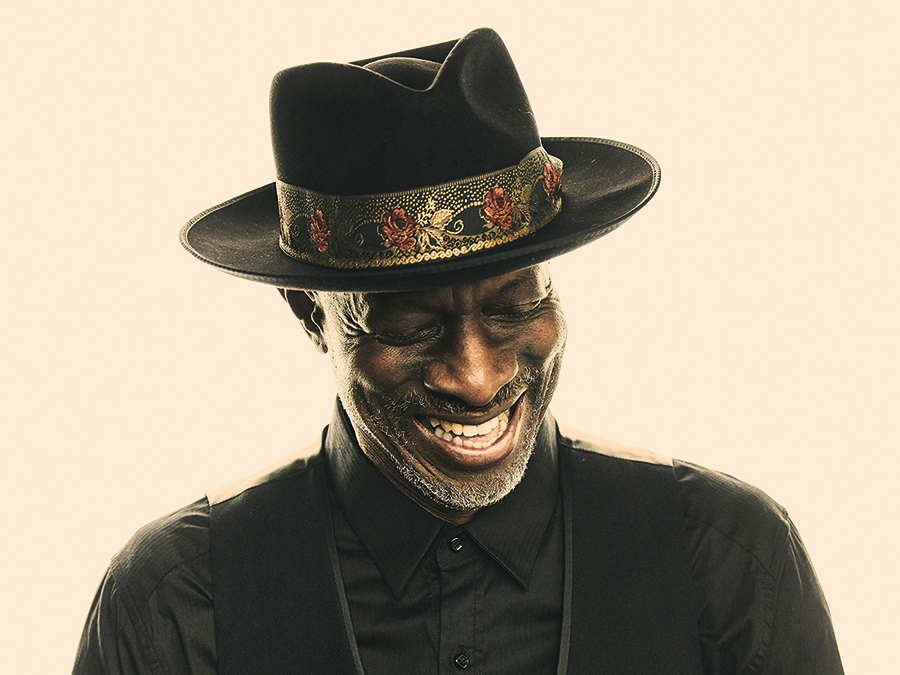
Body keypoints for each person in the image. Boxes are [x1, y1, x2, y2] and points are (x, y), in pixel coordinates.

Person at [73, 28, 844, 675]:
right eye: (411, 326)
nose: (476, 377)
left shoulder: (728, 566)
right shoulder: (175, 607)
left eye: (515, 305)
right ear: (310, 312)